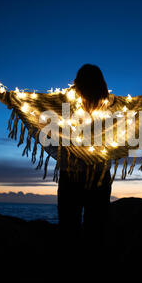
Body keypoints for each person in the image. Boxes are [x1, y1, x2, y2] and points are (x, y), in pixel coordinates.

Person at [57, 64, 112, 247]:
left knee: (69, 229)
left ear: (77, 81)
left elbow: (35, 102)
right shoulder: (112, 104)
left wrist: (2, 95)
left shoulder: (65, 101)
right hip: (98, 174)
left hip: (72, 173)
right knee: (96, 229)